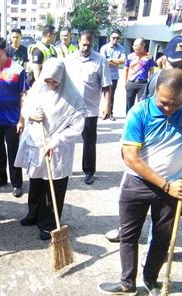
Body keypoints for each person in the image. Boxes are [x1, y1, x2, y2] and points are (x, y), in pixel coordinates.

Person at [98, 69, 182, 296]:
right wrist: (165, 185)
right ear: (154, 92)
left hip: (174, 184)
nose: (169, 108)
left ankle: (150, 279)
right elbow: (131, 157)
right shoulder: (139, 112)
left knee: (163, 238)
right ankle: (127, 283)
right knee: (129, 235)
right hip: (138, 182)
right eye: (163, 102)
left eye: (175, 103)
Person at [105, 35, 182, 244]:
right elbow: (143, 113)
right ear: (164, 61)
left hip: (178, 160)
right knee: (133, 204)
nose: (179, 69)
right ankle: (126, 230)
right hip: (147, 159)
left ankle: (157, 245)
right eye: (174, 63)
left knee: (164, 218)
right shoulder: (155, 80)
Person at [15, 58, 86, 240]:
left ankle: (48, 223)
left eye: (55, 81)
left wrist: (55, 141)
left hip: (57, 149)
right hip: (37, 144)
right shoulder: (39, 88)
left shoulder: (73, 97)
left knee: (53, 186)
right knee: (36, 182)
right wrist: (31, 114)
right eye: (48, 80)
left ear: (62, 78)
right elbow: (26, 107)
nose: (51, 84)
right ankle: (33, 215)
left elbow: (78, 126)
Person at [0, 37, 29, 197]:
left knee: (13, 152)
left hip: (12, 120)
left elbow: (23, 95)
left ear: (3, 51)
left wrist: (22, 119)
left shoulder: (18, 70)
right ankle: (1, 178)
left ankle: (17, 183)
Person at [65, 30, 111, 185]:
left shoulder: (100, 61)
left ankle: (89, 171)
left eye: (89, 45)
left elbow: (106, 86)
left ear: (93, 44)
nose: (86, 48)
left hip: (89, 110)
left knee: (89, 143)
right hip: (70, 108)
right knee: (65, 140)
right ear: (79, 43)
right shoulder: (69, 60)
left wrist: (107, 105)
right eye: (84, 45)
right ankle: (65, 168)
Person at [99, 29, 126, 120]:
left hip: (114, 76)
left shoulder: (121, 48)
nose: (115, 40)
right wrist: (116, 62)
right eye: (113, 38)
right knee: (99, 94)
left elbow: (123, 61)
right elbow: (103, 62)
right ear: (110, 37)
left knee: (111, 95)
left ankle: (110, 113)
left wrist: (110, 60)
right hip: (103, 75)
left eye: (117, 38)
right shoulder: (104, 48)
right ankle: (101, 111)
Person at [125, 37, 155, 113]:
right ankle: (128, 118)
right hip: (131, 82)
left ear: (143, 45)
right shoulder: (130, 56)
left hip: (143, 84)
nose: (134, 47)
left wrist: (150, 82)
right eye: (134, 45)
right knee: (129, 103)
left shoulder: (149, 56)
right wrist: (126, 82)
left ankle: (139, 120)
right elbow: (126, 69)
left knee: (142, 104)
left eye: (137, 45)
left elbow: (152, 70)